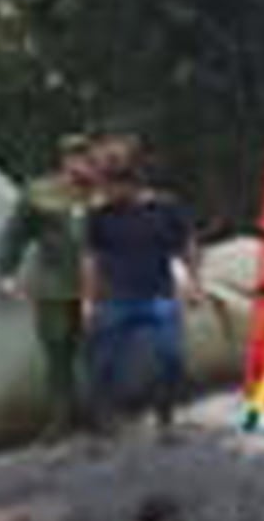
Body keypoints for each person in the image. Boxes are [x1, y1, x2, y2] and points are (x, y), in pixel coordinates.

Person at [77, 149, 198, 430]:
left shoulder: (164, 208)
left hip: (159, 294)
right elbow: (90, 259)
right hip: (116, 297)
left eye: (111, 187)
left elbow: (186, 245)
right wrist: (87, 300)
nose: (106, 193)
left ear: (130, 185)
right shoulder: (100, 216)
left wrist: (193, 283)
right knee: (102, 359)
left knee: (170, 355)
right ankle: (103, 415)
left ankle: (165, 412)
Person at [0, 134, 102, 426]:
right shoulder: (40, 193)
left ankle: (99, 413)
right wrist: (6, 272)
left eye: (89, 159)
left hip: (97, 286)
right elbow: (14, 235)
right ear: (65, 160)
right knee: (57, 353)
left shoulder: (103, 193)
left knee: (97, 350)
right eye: (79, 158)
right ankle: (60, 418)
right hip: (54, 286)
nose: (85, 165)